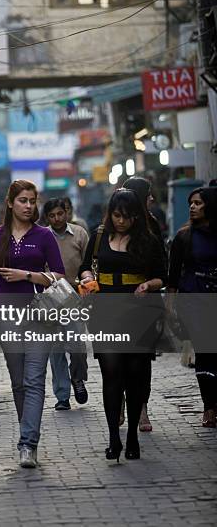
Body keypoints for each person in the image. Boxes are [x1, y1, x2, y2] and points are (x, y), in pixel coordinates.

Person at [0, 180, 65, 468]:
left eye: (32, 200)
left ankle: (28, 443)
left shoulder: (44, 236)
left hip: (39, 315)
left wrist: (28, 276)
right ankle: (27, 427)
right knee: (18, 382)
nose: (29, 206)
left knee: (34, 380)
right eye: (23, 201)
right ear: (10, 203)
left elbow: (59, 277)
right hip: (6, 316)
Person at [79, 189, 166, 462]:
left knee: (135, 375)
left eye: (127, 217)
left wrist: (147, 285)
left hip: (139, 314)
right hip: (105, 313)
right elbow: (85, 267)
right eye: (117, 215)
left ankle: (132, 437)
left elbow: (161, 276)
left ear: (136, 217)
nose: (121, 221)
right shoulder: (99, 237)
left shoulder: (148, 241)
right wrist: (87, 279)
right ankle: (114, 439)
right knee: (111, 374)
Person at [168, 187, 217, 428]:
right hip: (194, 300)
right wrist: (171, 307)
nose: (193, 207)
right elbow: (173, 275)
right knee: (206, 353)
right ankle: (209, 405)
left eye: (198, 203)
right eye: (191, 203)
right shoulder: (184, 236)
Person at [122, 176, 167, 432]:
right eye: (148, 194)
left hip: (146, 302)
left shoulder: (152, 226)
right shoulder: (112, 227)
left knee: (142, 359)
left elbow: (161, 266)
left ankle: (141, 407)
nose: (152, 198)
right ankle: (121, 402)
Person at [44, 198, 89, 410]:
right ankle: (62, 396)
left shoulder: (80, 234)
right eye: (52, 215)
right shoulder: (42, 236)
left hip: (75, 296)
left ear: (67, 213)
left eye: (60, 214)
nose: (56, 218)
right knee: (56, 349)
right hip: (51, 297)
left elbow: (88, 265)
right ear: (47, 218)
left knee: (78, 346)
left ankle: (78, 378)